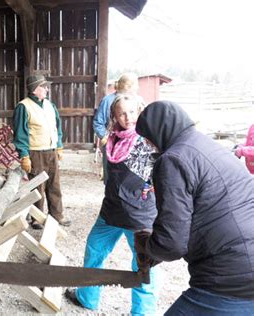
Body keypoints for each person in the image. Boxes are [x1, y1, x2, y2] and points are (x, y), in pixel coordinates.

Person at [134, 101, 254, 315]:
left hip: (232, 275)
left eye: (147, 138)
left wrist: (150, 247)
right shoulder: (205, 145)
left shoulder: (173, 160)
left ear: (157, 132)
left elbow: (172, 244)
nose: (149, 145)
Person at [65, 94, 160, 314]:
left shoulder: (149, 140)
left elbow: (163, 171)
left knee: (144, 265)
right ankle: (87, 297)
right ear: (115, 116)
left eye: (132, 112)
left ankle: (142, 313)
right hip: (112, 211)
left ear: (139, 111)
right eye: (122, 113)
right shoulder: (113, 139)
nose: (128, 118)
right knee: (94, 249)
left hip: (139, 215)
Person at [12, 74, 70, 229]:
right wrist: (24, 155)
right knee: (38, 187)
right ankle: (37, 218)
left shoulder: (50, 105)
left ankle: (57, 215)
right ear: (34, 89)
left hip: (51, 151)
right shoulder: (23, 107)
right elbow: (20, 133)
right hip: (35, 153)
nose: (46, 89)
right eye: (43, 87)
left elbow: (56, 127)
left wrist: (59, 146)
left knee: (54, 184)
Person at [93, 73, 141, 184]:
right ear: (128, 87)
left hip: (132, 141)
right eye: (135, 86)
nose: (137, 89)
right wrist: (105, 137)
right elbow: (98, 122)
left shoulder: (137, 100)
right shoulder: (108, 100)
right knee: (111, 176)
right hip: (112, 142)